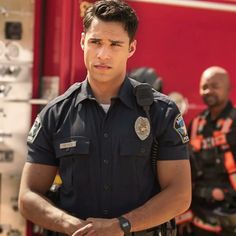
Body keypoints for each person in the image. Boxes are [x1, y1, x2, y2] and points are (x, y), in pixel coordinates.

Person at [18, 0, 191, 235]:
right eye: (96, 42)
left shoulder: (161, 111)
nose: (103, 54)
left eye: (115, 44)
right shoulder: (55, 114)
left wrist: (121, 225)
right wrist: (72, 226)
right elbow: (28, 196)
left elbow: (179, 195)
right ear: (82, 41)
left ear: (131, 48)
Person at [189, 66, 236, 236]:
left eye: (215, 86)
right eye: (204, 87)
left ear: (228, 88)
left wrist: (225, 194)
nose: (208, 91)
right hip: (201, 218)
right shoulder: (195, 125)